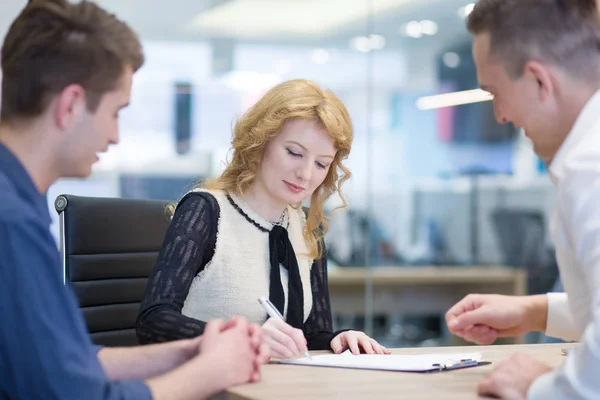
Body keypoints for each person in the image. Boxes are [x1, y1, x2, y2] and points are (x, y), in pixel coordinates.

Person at [0, 1, 268, 399]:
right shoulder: (11, 223)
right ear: (71, 106)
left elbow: (59, 363)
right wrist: (211, 371)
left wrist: (184, 353)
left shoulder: (18, 200)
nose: (115, 137)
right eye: (115, 112)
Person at [136, 79, 391, 358]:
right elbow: (153, 321)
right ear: (260, 142)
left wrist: (340, 339)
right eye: (294, 152)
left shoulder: (307, 227)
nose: (306, 174)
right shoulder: (206, 211)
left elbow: (310, 336)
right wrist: (246, 338)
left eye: (321, 163)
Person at [444, 0, 600, 399]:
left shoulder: (590, 167)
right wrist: (534, 312)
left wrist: (537, 386)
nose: (499, 115)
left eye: (495, 92)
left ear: (539, 81)